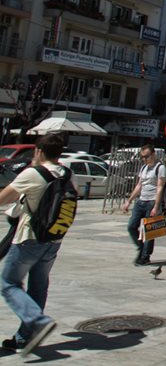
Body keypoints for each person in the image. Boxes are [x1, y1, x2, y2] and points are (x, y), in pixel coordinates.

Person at [0, 133, 67, 354]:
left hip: (29, 238)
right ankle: (23, 338)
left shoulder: (33, 173)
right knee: (38, 286)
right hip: (54, 239)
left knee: (8, 283)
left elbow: (4, 198)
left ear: (38, 151)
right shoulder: (67, 173)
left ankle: (38, 321)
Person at [121, 145, 166, 266]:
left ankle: (145, 256)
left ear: (153, 154)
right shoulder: (143, 168)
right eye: (142, 157)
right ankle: (141, 248)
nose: (144, 159)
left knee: (149, 231)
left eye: (146, 156)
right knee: (131, 226)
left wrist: (156, 206)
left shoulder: (160, 167)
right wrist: (129, 201)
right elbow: (139, 185)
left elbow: (160, 187)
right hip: (141, 201)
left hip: (152, 201)